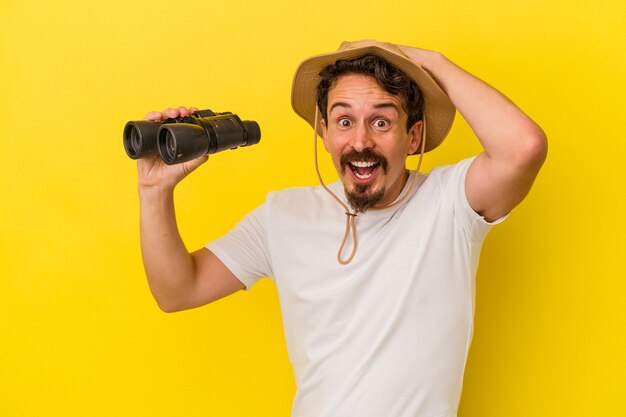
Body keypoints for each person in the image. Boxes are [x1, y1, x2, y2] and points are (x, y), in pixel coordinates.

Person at [136, 40, 547, 417]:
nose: (361, 141)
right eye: (344, 121)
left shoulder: (450, 203)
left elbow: (523, 148)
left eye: (382, 122)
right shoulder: (282, 215)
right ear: (324, 133)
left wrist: (430, 63)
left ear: (413, 136)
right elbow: (177, 291)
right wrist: (154, 190)